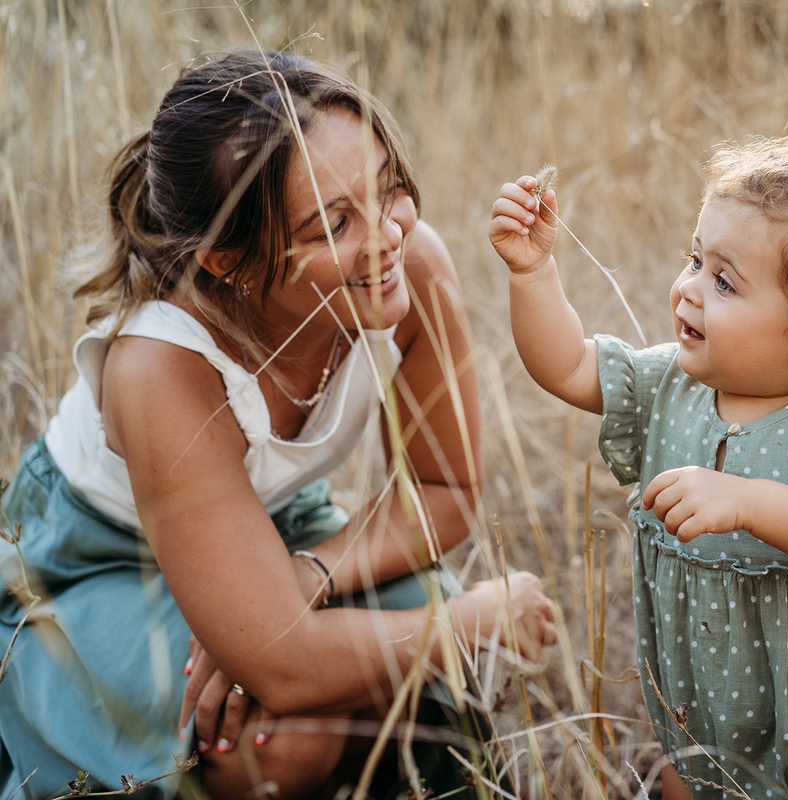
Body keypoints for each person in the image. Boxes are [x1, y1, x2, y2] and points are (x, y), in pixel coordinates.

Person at [0, 50, 558, 800]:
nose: (387, 237)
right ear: (228, 261)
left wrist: (309, 574)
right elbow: (286, 667)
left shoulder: (412, 267)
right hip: (101, 553)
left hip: (276, 523)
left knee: (395, 693)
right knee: (277, 745)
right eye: (333, 223)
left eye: (388, 188)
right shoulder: (158, 369)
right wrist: (467, 622)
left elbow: (445, 487)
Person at [489, 120, 788, 798]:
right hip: (708, 708)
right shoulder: (669, 385)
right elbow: (565, 365)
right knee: (689, 780)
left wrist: (746, 500)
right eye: (694, 261)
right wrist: (533, 271)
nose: (687, 289)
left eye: (724, 282)